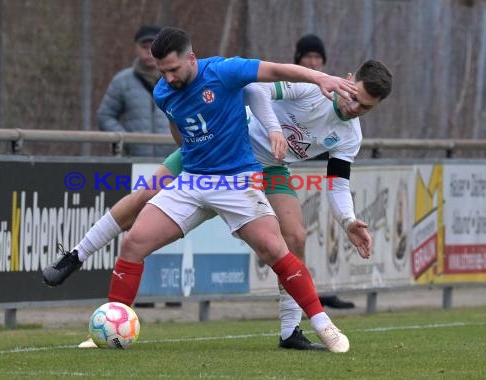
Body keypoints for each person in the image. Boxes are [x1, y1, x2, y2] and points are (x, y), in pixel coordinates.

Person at [47, 26, 359, 352]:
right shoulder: (162, 92)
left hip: (237, 180)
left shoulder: (223, 71)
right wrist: (193, 152)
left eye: (174, 69)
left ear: (191, 58)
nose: (168, 77)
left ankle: (323, 326)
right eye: (162, 71)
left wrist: (319, 79)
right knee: (134, 242)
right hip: (194, 179)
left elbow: (275, 70)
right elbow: (177, 124)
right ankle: (108, 328)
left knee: (277, 249)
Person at [292, 34, 355, 310]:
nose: (356, 110)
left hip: (272, 169)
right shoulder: (305, 87)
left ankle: (296, 322)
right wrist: (271, 128)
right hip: (226, 149)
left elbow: (338, 184)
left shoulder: (351, 134)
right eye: (309, 57)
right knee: (143, 196)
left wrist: (349, 220)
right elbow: (258, 90)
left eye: (319, 58)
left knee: (295, 237)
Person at [96, 25, 175, 157]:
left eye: (154, 47)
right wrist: (125, 139)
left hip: (173, 161)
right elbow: (105, 116)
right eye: (144, 47)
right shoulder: (122, 81)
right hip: (134, 160)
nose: (149, 51)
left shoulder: (178, 79)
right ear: (136, 48)